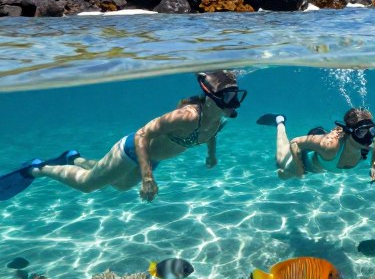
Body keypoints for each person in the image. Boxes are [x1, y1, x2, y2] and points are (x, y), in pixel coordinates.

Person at [12, 71, 243, 202]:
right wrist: (147, 177)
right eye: (229, 96)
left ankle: (74, 159)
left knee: (120, 186)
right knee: (88, 184)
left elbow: (211, 134)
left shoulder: (217, 119)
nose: (235, 104)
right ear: (210, 96)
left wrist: (212, 155)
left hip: (153, 158)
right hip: (133, 149)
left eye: (237, 96)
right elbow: (143, 134)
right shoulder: (187, 116)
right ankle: (37, 169)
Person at [258, 107, 375, 183]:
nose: (368, 137)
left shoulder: (371, 142)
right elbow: (295, 142)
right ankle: (279, 121)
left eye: (371, 130)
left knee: (285, 174)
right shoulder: (329, 147)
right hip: (308, 161)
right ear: (350, 132)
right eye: (361, 132)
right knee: (282, 168)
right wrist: (299, 169)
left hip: (323, 164)